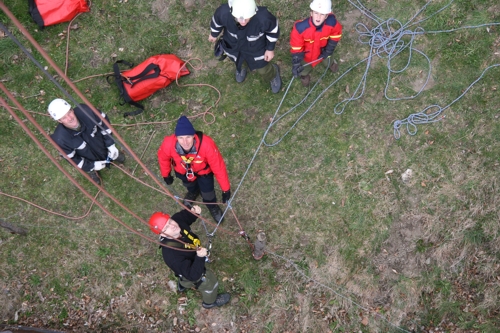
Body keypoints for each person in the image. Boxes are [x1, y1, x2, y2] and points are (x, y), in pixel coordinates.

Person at [149, 205, 231, 309]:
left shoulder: (177, 221)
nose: (172, 225)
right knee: (209, 283)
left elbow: (184, 217)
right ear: (162, 234)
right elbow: (193, 275)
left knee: (184, 276)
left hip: (188, 263)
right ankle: (210, 302)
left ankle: (183, 284)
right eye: (166, 228)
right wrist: (200, 257)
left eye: (169, 221)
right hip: (193, 268)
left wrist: (192, 212)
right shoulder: (172, 256)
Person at [157, 116, 230, 223]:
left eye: (188, 137)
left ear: (194, 136)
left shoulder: (206, 144)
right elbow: (163, 159)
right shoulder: (168, 144)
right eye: (181, 138)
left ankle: (212, 206)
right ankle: (193, 192)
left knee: (208, 192)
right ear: (176, 137)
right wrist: (166, 174)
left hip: (203, 172)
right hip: (183, 172)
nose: (185, 142)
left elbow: (218, 167)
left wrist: (225, 189)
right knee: (189, 186)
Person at [208, 0, 282, 94]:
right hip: (234, 46)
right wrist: (214, 34)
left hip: (256, 49)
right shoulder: (224, 12)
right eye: (239, 18)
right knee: (238, 60)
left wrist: (270, 49)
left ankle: (272, 74)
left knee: (263, 69)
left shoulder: (263, 18)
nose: (243, 22)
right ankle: (241, 67)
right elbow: (217, 21)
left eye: (247, 18)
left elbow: (273, 31)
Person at [48, 98, 125, 185]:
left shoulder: (87, 112)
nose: (70, 118)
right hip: (88, 157)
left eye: (69, 113)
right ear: (59, 121)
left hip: (101, 143)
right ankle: (92, 171)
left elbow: (104, 124)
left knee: (108, 149)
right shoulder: (61, 140)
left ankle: (113, 154)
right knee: (90, 166)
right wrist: (91, 166)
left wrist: (110, 144)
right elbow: (73, 160)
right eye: (64, 118)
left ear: (72, 110)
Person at [290, 0, 343, 87]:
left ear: (326, 16)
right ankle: (304, 75)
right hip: (307, 56)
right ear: (311, 13)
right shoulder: (300, 28)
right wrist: (296, 63)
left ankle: (331, 64)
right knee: (304, 68)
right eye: (316, 13)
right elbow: (296, 47)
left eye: (322, 14)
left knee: (328, 59)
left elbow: (336, 34)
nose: (318, 17)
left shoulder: (332, 23)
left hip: (323, 51)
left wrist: (329, 50)